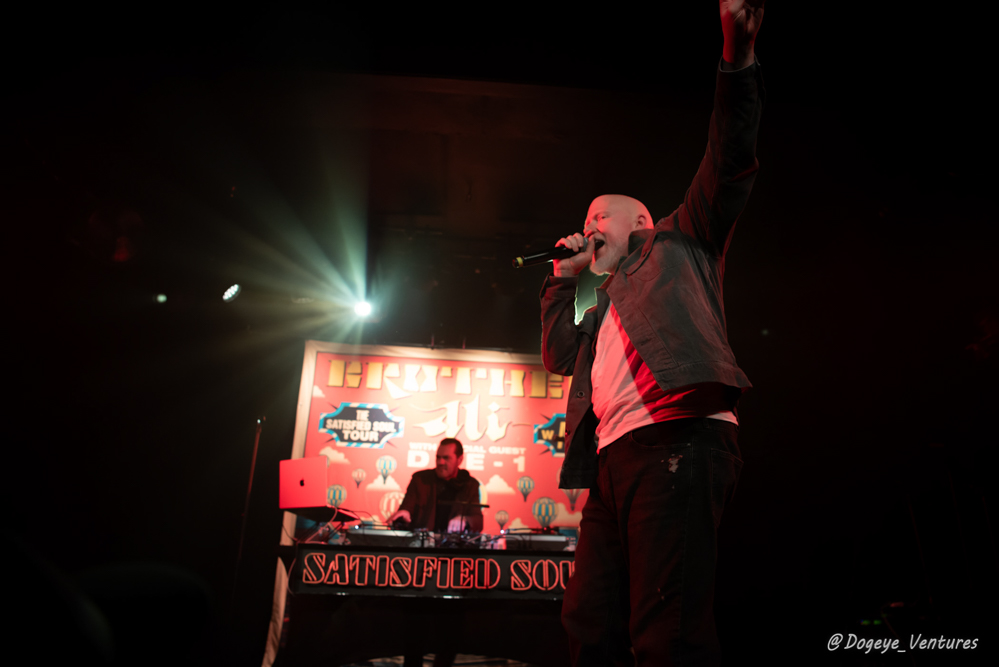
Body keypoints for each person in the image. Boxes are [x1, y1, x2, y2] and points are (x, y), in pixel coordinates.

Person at [540, 2, 765, 665]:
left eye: (597, 218)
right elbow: (556, 355)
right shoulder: (600, 300)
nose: (590, 226)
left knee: (665, 627)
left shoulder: (681, 237)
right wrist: (563, 276)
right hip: (612, 459)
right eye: (585, 220)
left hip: (680, 438)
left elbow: (729, 154)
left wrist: (737, 57)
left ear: (637, 219)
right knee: (587, 622)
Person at [389, 438, 483, 534]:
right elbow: (407, 507)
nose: (440, 462)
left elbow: (478, 521)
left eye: (446, 458)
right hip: (422, 544)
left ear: (459, 460)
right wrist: (404, 512)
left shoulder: (470, 484)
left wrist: (464, 520)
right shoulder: (420, 479)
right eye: (438, 457)